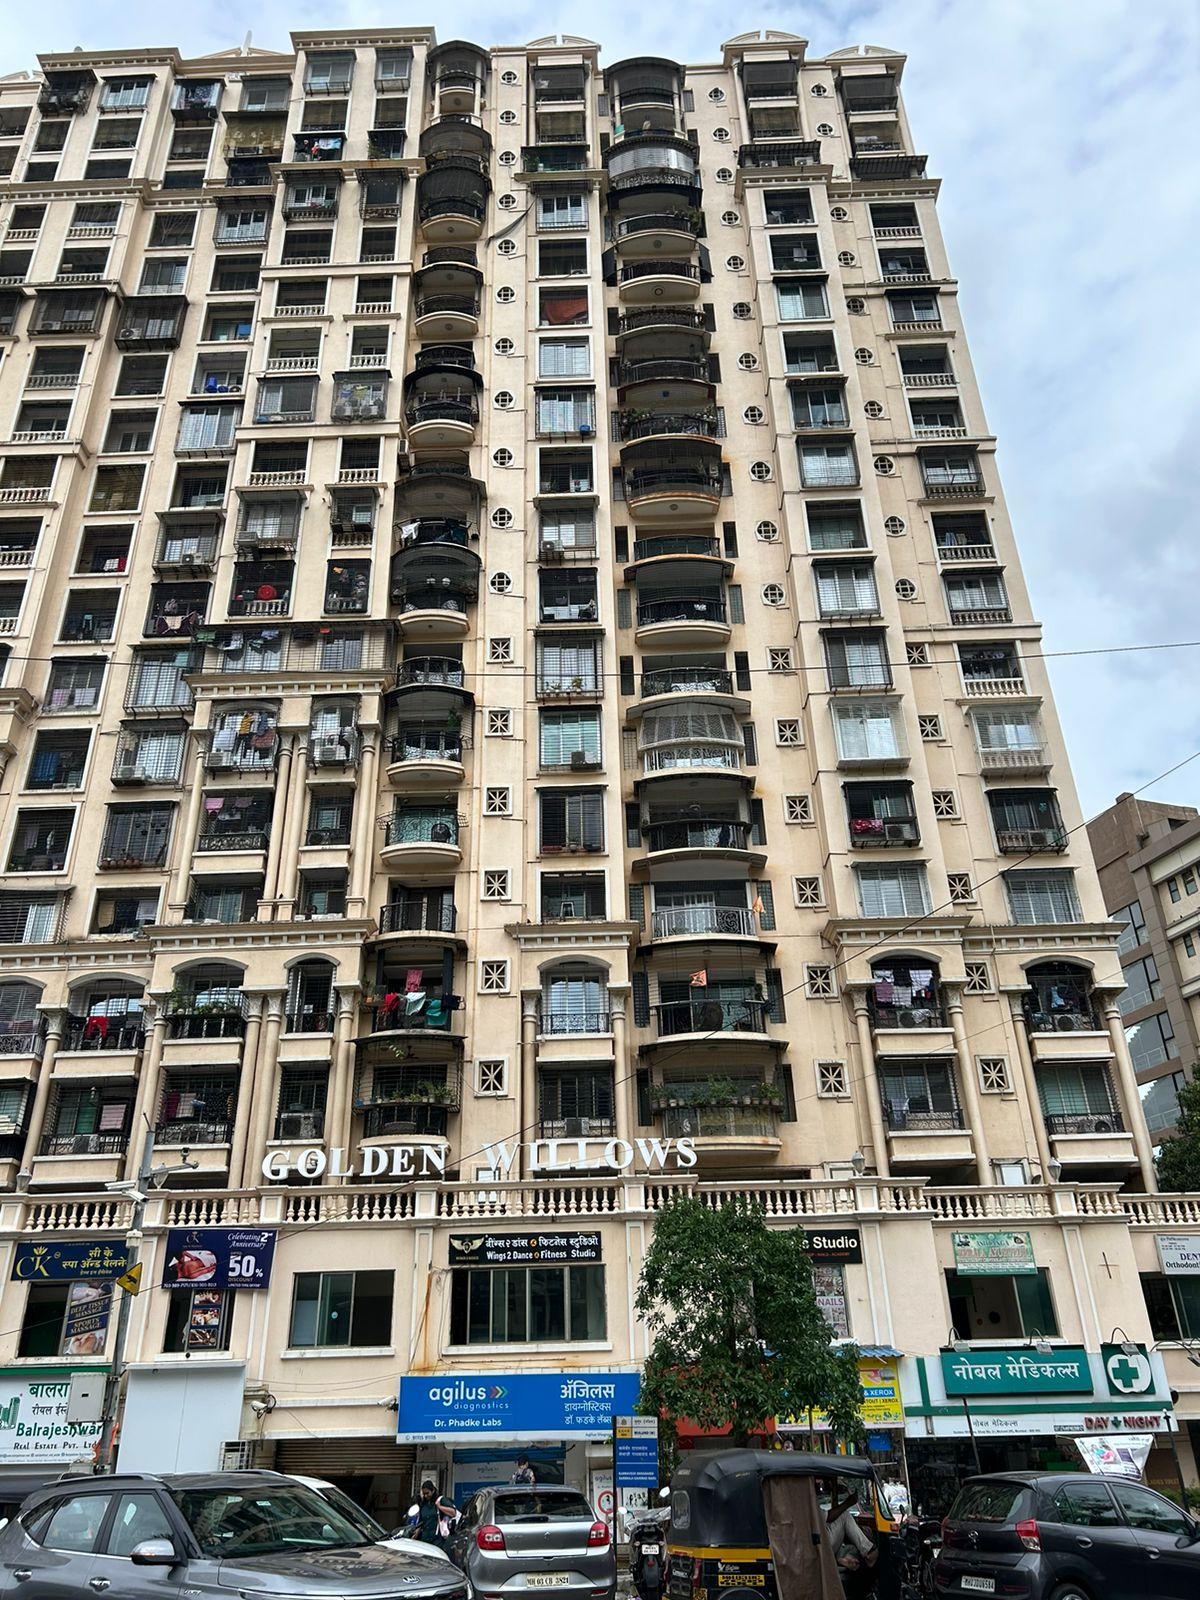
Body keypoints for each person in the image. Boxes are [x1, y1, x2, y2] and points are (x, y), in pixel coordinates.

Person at [413, 1480, 456, 1550]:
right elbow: (421, 1522)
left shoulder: (441, 1500)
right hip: (425, 1539)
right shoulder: (423, 1504)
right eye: (424, 1494)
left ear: (433, 1491)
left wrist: (439, 1507)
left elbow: (453, 1512)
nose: (426, 1496)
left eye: (427, 1493)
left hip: (438, 1540)